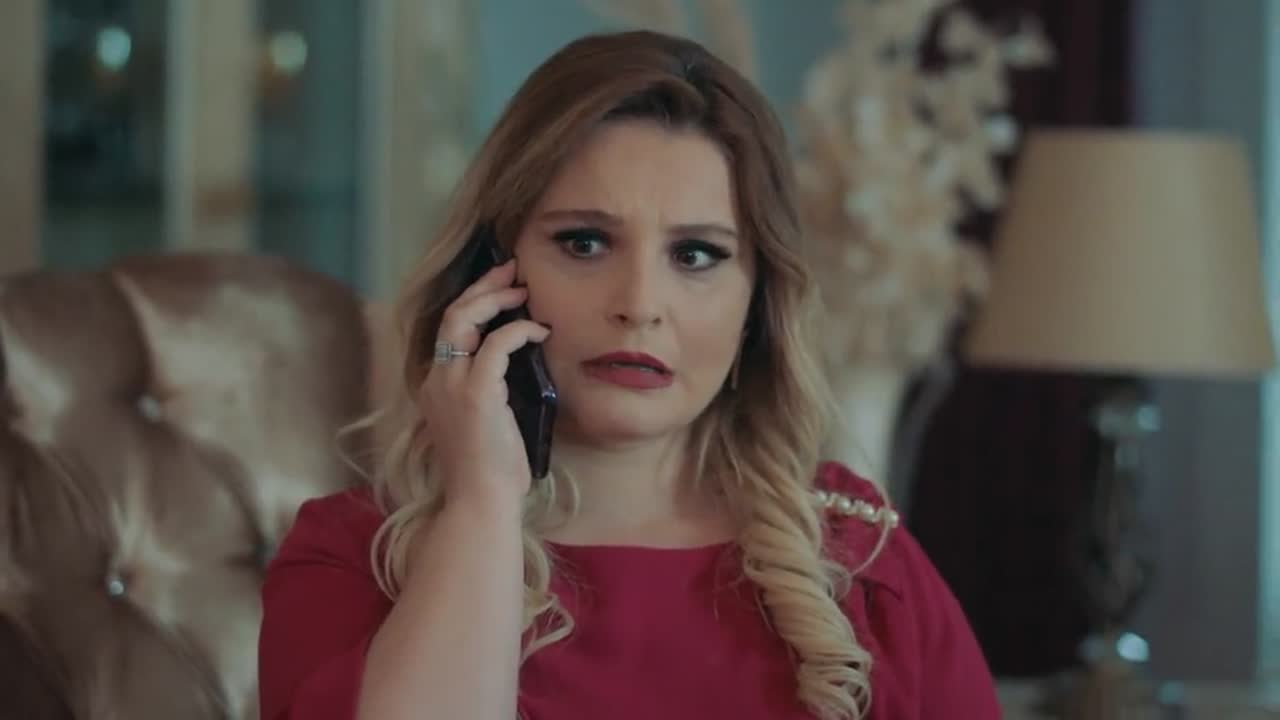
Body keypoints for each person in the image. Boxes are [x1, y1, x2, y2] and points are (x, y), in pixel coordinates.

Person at [257, 29, 999, 720]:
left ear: (757, 304)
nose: (640, 304)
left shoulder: (860, 557)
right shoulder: (351, 558)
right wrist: (482, 504)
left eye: (697, 255)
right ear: (489, 274)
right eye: (584, 243)